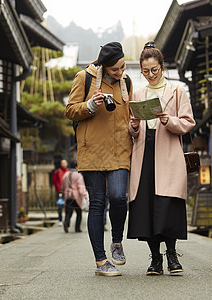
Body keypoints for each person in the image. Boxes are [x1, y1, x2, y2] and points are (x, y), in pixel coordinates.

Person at [127, 41, 195, 276]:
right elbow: (131, 131)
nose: (150, 75)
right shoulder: (137, 92)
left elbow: (188, 122)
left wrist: (170, 121)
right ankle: (155, 259)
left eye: (154, 70)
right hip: (143, 153)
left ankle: (172, 256)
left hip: (168, 152)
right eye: (145, 71)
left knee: (167, 204)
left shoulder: (177, 91)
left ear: (162, 66)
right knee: (145, 206)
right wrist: (134, 125)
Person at [65, 42, 132, 277]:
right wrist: (91, 105)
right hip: (92, 149)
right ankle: (101, 261)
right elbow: (70, 110)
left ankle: (117, 242)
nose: (120, 72)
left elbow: (129, 114)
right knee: (97, 203)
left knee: (118, 196)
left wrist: (134, 126)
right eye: (115, 69)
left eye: (122, 67)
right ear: (103, 66)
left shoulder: (127, 82)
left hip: (120, 149)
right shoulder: (84, 78)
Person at [61, 161, 88, 233]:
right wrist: (84, 194)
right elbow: (81, 186)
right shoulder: (78, 175)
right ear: (76, 167)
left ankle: (66, 222)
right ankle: (77, 228)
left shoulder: (66, 174)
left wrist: (63, 194)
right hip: (76, 197)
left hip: (68, 196)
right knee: (79, 213)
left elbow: (62, 186)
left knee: (68, 212)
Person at [52, 159, 69, 226]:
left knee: (68, 206)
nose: (63, 164)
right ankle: (60, 220)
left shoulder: (69, 172)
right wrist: (58, 189)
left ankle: (67, 220)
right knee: (60, 205)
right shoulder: (57, 172)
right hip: (59, 191)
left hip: (67, 191)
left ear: (67, 163)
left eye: (65, 163)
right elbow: (54, 181)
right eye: (62, 163)